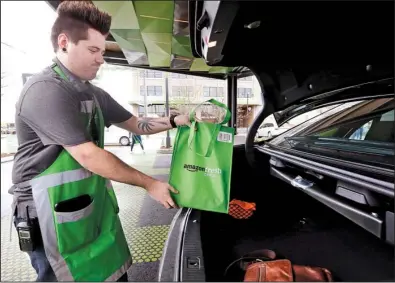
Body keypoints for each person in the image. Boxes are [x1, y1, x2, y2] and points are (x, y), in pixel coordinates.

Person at [9, 1, 190, 282]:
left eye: (103, 52)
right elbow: (88, 156)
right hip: (45, 210)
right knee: (64, 275)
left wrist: (175, 121)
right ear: (65, 42)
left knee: (107, 270)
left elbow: (136, 125)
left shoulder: (94, 94)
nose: (101, 59)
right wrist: (150, 183)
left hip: (85, 201)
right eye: (93, 50)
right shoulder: (46, 90)